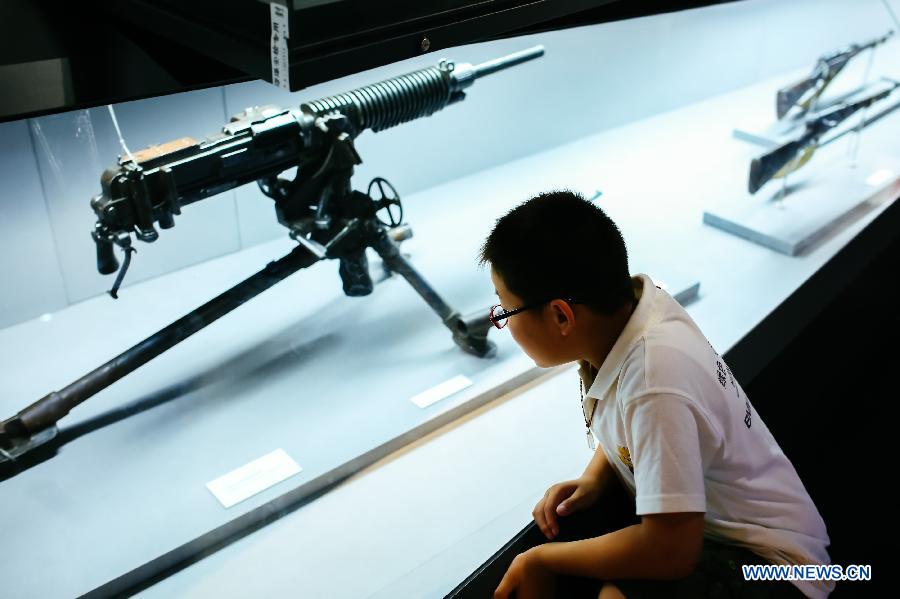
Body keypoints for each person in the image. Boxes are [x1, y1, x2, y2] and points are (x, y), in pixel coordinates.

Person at [481, 191, 832, 599]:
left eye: (505, 312)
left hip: (778, 566)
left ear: (562, 315)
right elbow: (640, 425)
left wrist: (539, 559)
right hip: (730, 532)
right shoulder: (637, 308)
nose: (502, 321)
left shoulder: (653, 380)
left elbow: (670, 551)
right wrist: (597, 475)